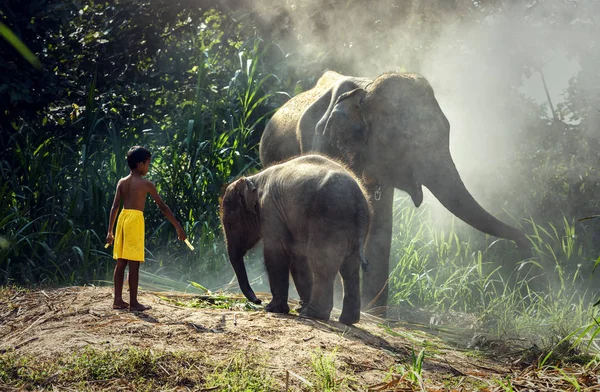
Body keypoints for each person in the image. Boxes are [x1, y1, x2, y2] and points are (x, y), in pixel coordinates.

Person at [106, 146, 186, 311]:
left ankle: (118, 300)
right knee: (134, 264)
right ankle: (134, 303)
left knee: (121, 262)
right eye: (148, 163)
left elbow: (114, 207)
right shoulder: (146, 184)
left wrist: (110, 231)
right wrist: (178, 226)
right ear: (140, 164)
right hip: (134, 221)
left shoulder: (122, 182)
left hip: (122, 219)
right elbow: (163, 207)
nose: (148, 167)